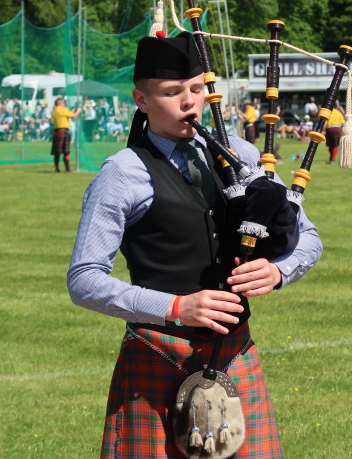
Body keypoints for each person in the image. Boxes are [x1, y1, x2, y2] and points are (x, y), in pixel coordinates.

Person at [67, 32, 322, 459]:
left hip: (235, 352)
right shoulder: (122, 173)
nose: (189, 102)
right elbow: (84, 279)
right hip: (158, 353)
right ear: (142, 100)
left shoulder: (239, 153)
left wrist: (278, 270)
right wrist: (173, 307)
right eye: (171, 92)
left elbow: (307, 236)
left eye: (197, 89)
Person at [51, 98, 81, 172]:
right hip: (63, 131)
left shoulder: (54, 110)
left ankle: (57, 169)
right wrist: (79, 111)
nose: (64, 104)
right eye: (64, 103)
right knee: (66, 151)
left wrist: (73, 111)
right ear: (61, 103)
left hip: (57, 131)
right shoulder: (62, 110)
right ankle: (67, 168)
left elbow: (68, 114)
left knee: (57, 152)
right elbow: (74, 116)